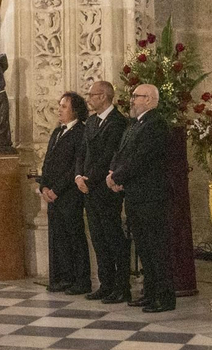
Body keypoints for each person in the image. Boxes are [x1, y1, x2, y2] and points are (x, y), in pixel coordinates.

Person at [108, 84, 174, 313]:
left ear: (150, 99)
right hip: (135, 194)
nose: (132, 100)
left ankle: (164, 297)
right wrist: (113, 173)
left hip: (151, 195)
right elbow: (122, 152)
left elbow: (142, 158)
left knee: (156, 248)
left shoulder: (156, 124)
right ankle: (150, 292)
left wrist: (117, 176)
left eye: (136, 96)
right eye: (133, 96)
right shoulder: (135, 124)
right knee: (144, 248)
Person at [76, 79, 130, 304]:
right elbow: (82, 152)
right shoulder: (90, 122)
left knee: (112, 237)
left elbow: (110, 154)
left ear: (104, 96)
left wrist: (92, 178)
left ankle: (121, 286)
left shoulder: (118, 122)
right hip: (88, 187)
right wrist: (78, 175)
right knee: (98, 238)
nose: (89, 99)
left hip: (105, 188)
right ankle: (105, 283)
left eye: (92, 95)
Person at [39, 91, 90, 295]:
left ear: (75, 110)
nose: (59, 109)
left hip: (69, 194)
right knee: (58, 237)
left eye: (64, 106)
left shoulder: (80, 132)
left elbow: (75, 167)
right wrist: (43, 186)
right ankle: (63, 277)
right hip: (51, 194)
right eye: (59, 105)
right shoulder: (57, 132)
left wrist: (57, 190)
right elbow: (48, 162)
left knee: (74, 237)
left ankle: (81, 280)